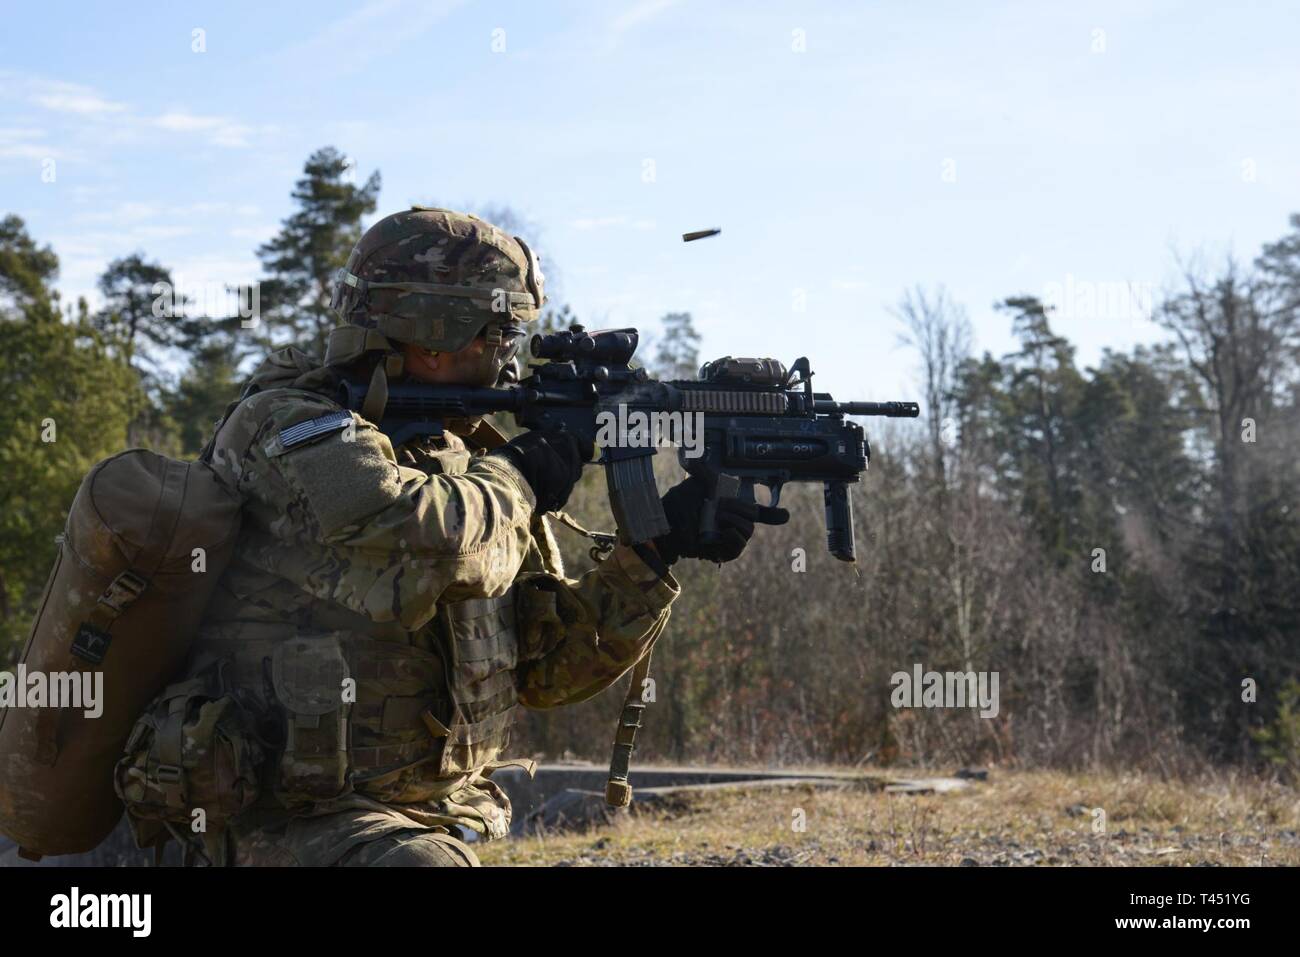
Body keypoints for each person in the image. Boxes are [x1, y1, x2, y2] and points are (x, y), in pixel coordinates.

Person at [134, 207, 786, 866]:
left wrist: (653, 550)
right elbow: (425, 545)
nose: (508, 353)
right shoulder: (290, 428)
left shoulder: (463, 452)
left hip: (438, 817)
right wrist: (525, 472)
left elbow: (545, 670)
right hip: (281, 823)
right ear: (433, 334)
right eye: (498, 330)